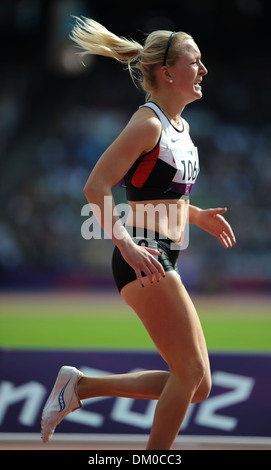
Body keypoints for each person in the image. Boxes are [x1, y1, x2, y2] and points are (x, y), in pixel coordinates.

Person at [41, 18, 236, 450]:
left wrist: (198, 215)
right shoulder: (148, 123)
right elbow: (95, 186)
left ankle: (81, 387)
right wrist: (127, 246)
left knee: (198, 385)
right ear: (168, 73)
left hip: (163, 250)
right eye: (195, 61)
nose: (204, 70)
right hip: (144, 254)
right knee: (188, 373)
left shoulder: (181, 129)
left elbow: (161, 197)